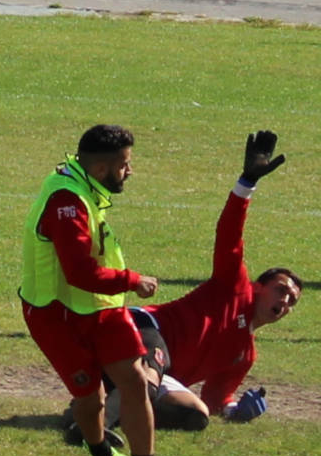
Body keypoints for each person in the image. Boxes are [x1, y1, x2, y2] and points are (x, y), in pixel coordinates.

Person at [67, 130, 303, 437]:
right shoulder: (234, 286)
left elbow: (217, 401)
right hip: (142, 329)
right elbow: (229, 233)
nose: (285, 301)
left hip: (157, 372)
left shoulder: (245, 354)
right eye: (281, 289)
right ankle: (93, 430)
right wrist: (247, 183)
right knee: (150, 372)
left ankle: (95, 408)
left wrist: (238, 412)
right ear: (259, 287)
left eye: (292, 301)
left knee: (195, 416)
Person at [22, 124, 187, 456]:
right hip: (57, 316)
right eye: (124, 164)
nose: (130, 171)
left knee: (134, 380)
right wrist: (132, 280)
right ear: (100, 170)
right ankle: (99, 448)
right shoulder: (66, 204)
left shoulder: (82, 183)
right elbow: (79, 273)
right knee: (91, 398)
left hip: (101, 308)